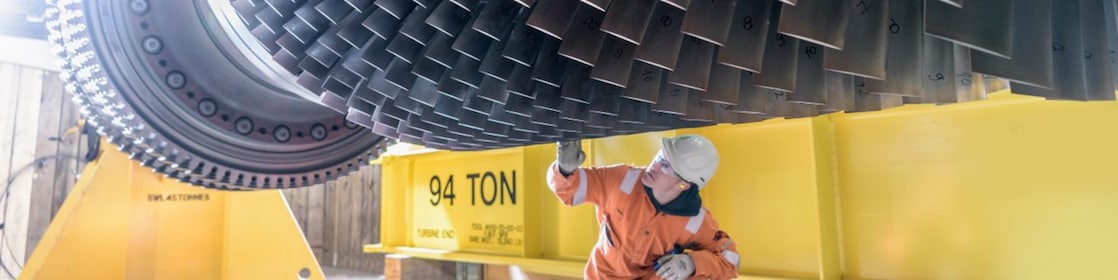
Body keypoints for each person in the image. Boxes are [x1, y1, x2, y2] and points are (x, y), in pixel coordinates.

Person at [546, 134, 739, 280]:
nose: (653, 165)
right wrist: (564, 169)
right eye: (658, 157)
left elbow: (730, 261)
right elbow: (570, 192)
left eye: (664, 165)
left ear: (684, 185)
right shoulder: (621, 181)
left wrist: (691, 263)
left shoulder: (696, 221)